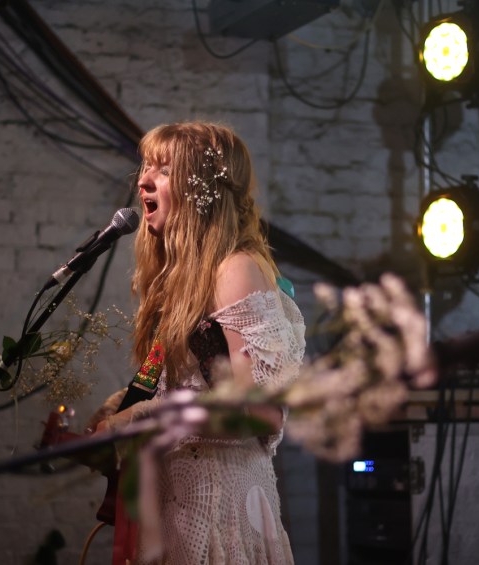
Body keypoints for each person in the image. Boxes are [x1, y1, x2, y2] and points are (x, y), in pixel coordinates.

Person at [92, 121, 306, 565]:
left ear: (201, 190)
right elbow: (193, 388)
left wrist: (146, 415)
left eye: (164, 170)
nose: (143, 181)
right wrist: (118, 413)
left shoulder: (236, 269)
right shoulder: (182, 285)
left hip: (222, 516)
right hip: (179, 512)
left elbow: (262, 413)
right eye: (146, 167)